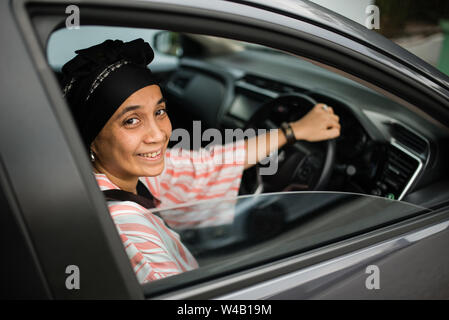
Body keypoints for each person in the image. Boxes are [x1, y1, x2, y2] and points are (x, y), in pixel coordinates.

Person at [62, 38, 340, 283]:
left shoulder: (126, 173)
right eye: (132, 121)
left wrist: (294, 131)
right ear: (92, 140)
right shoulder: (126, 230)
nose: (158, 135)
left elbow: (206, 165)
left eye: (159, 111)